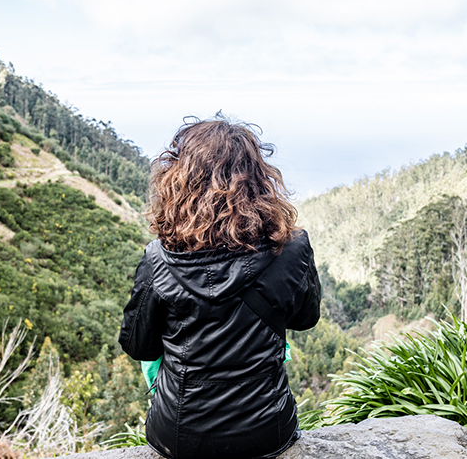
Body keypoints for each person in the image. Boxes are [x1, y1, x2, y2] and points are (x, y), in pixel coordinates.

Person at [118, 115, 321, 459]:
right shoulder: (292, 248)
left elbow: (139, 346)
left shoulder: (159, 259)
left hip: (180, 437)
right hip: (268, 432)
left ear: (179, 181)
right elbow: (305, 319)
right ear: (258, 178)